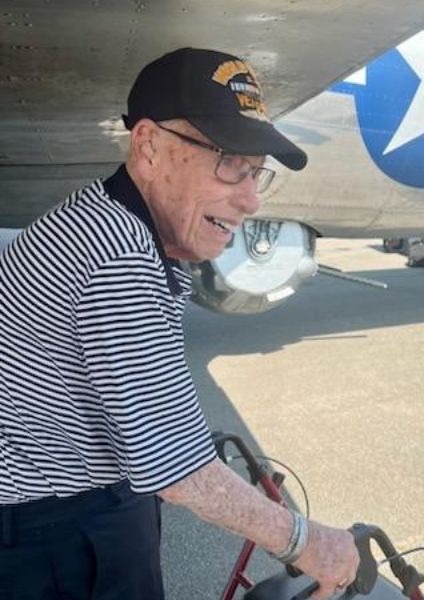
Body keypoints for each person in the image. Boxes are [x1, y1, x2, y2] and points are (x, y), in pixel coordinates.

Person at [0, 47, 359, 599]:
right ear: (148, 147)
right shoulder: (115, 253)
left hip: (68, 506)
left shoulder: (113, 222)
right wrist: (309, 543)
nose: (250, 199)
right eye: (229, 164)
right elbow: (179, 470)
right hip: (53, 534)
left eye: (255, 172)